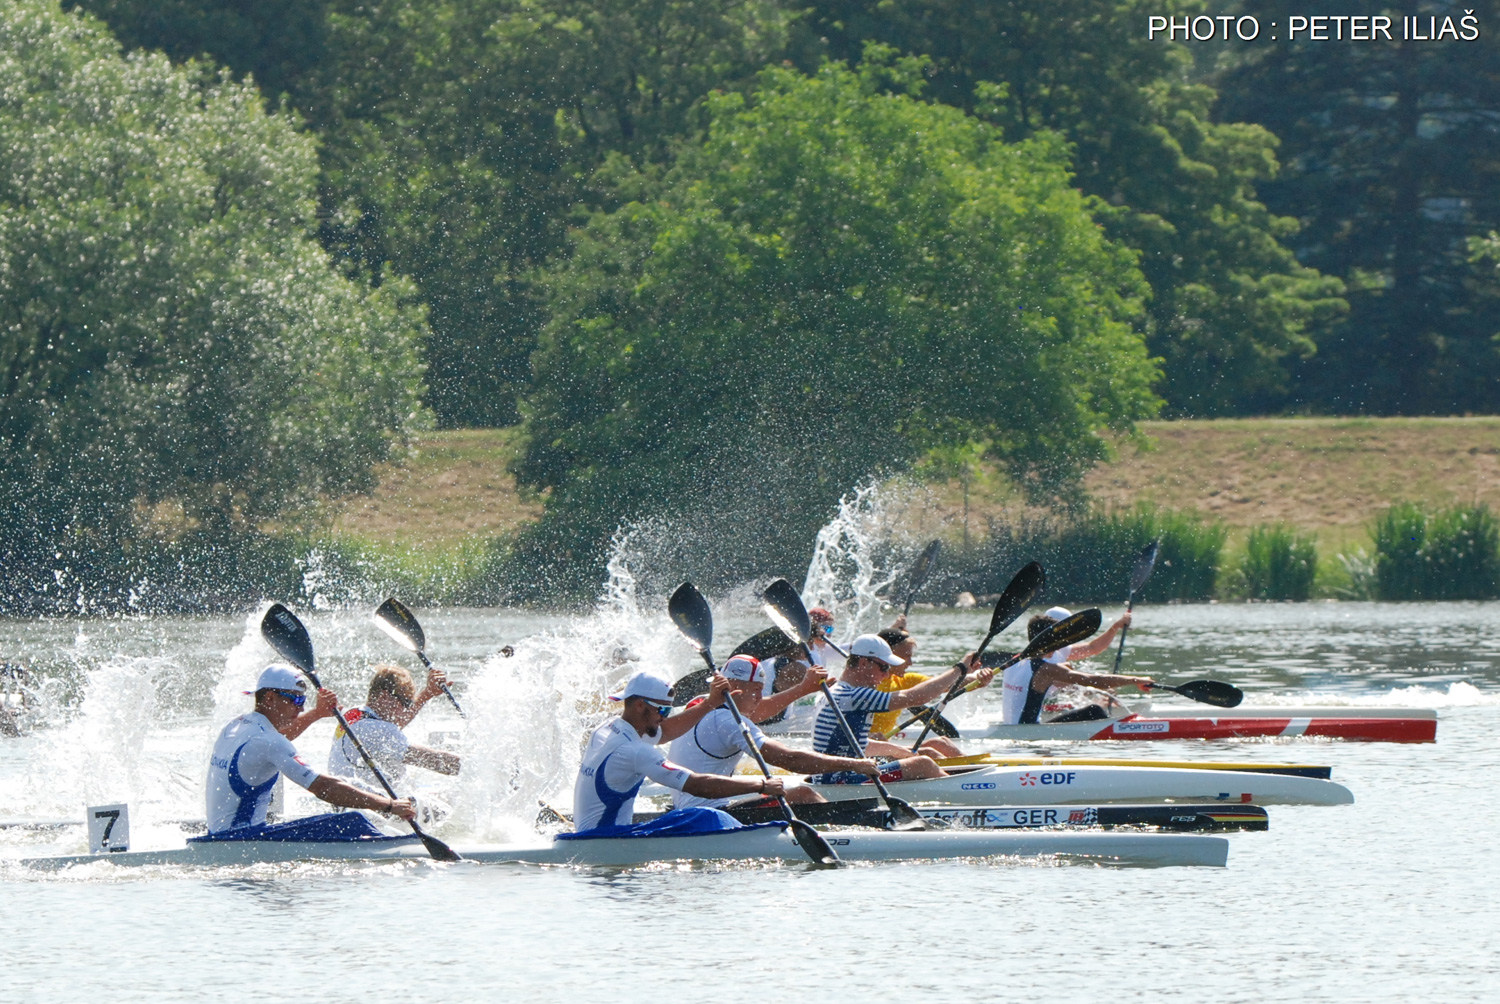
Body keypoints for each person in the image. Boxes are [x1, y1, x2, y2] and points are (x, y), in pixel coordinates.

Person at [203, 665, 415, 838]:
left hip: (220, 833)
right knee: (352, 821)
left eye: (303, 700)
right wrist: (388, 805)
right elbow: (323, 787)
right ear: (269, 698)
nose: (301, 707)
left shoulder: (239, 724)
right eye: (295, 699)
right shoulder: (269, 741)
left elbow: (281, 736)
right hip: (239, 839)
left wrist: (317, 713)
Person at [571, 670, 785, 833]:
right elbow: (699, 786)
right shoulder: (636, 751)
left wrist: (710, 703)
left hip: (591, 832)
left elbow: (664, 731)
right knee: (705, 817)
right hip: (605, 839)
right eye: (662, 709)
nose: (664, 716)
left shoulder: (609, 728)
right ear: (639, 705)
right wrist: (762, 785)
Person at [668, 655, 879, 809]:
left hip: (689, 806)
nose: (761, 696)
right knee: (803, 795)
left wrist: (804, 689)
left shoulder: (699, 704)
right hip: (710, 813)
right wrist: (854, 764)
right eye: (757, 690)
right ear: (735, 688)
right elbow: (789, 760)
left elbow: (758, 710)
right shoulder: (729, 720)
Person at [809, 635, 992, 785]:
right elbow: (916, 697)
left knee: (928, 749)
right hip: (839, 780)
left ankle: (971, 776)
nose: (887, 674)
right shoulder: (853, 695)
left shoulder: (839, 691)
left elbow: (859, 744)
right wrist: (960, 668)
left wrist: (901, 751)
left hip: (845, 771)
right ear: (864, 663)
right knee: (922, 764)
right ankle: (967, 792)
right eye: (883, 667)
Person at [1000, 607, 1155, 725]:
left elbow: (1091, 651)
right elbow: (1095, 680)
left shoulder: (1013, 661)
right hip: (1028, 733)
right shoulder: (1047, 669)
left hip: (1014, 727)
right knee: (1095, 711)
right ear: (1049, 640)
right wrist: (1137, 680)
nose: (1062, 643)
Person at [328, 664, 460, 788]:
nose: (406, 709)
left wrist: (427, 694)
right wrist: (473, 765)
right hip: (372, 806)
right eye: (406, 702)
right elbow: (434, 761)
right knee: (451, 801)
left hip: (346, 799)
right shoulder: (378, 729)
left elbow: (397, 722)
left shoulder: (355, 714)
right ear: (385, 697)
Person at [866, 623, 965, 759]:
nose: (911, 662)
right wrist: (868, 737)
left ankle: (974, 772)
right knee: (930, 753)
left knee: (942, 743)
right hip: (864, 752)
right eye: (906, 656)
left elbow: (945, 684)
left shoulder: (905, 680)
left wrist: (976, 676)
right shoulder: (866, 685)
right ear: (889, 653)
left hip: (883, 748)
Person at [756, 605, 841, 730]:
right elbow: (828, 687)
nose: (812, 648)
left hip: (774, 717)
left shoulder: (777, 657)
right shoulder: (792, 668)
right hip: (768, 724)